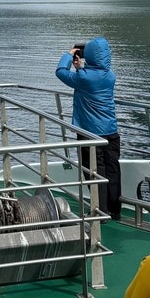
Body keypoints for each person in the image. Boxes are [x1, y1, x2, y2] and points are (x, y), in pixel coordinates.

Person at [56, 37, 121, 220]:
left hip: (90, 133)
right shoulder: (110, 76)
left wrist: (68, 55)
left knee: (93, 172)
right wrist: (80, 68)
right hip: (110, 131)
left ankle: (100, 211)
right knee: (112, 171)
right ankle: (115, 210)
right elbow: (91, 78)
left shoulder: (83, 78)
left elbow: (60, 72)